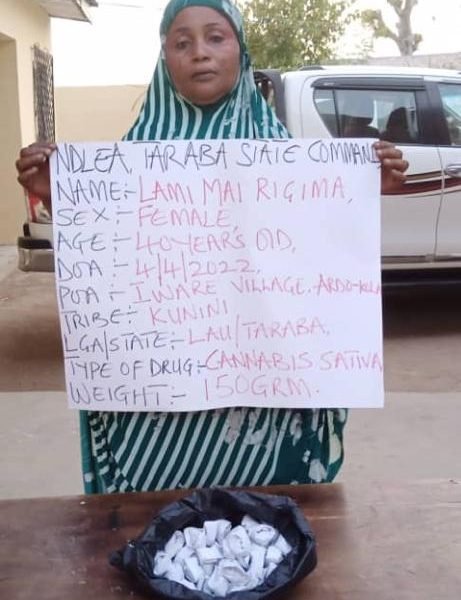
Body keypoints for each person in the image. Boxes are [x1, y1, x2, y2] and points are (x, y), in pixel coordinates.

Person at [15, 0, 409, 494]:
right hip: (157, 405)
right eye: (182, 42)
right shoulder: (122, 169)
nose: (199, 53)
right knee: (157, 516)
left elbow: (319, 254)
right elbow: (106, 259)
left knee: (266, 518)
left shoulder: (291, 163)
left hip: (267, 402)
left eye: (216, 38)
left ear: (241, 51)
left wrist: (363, 190)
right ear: (165, 58)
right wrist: (60, 194)